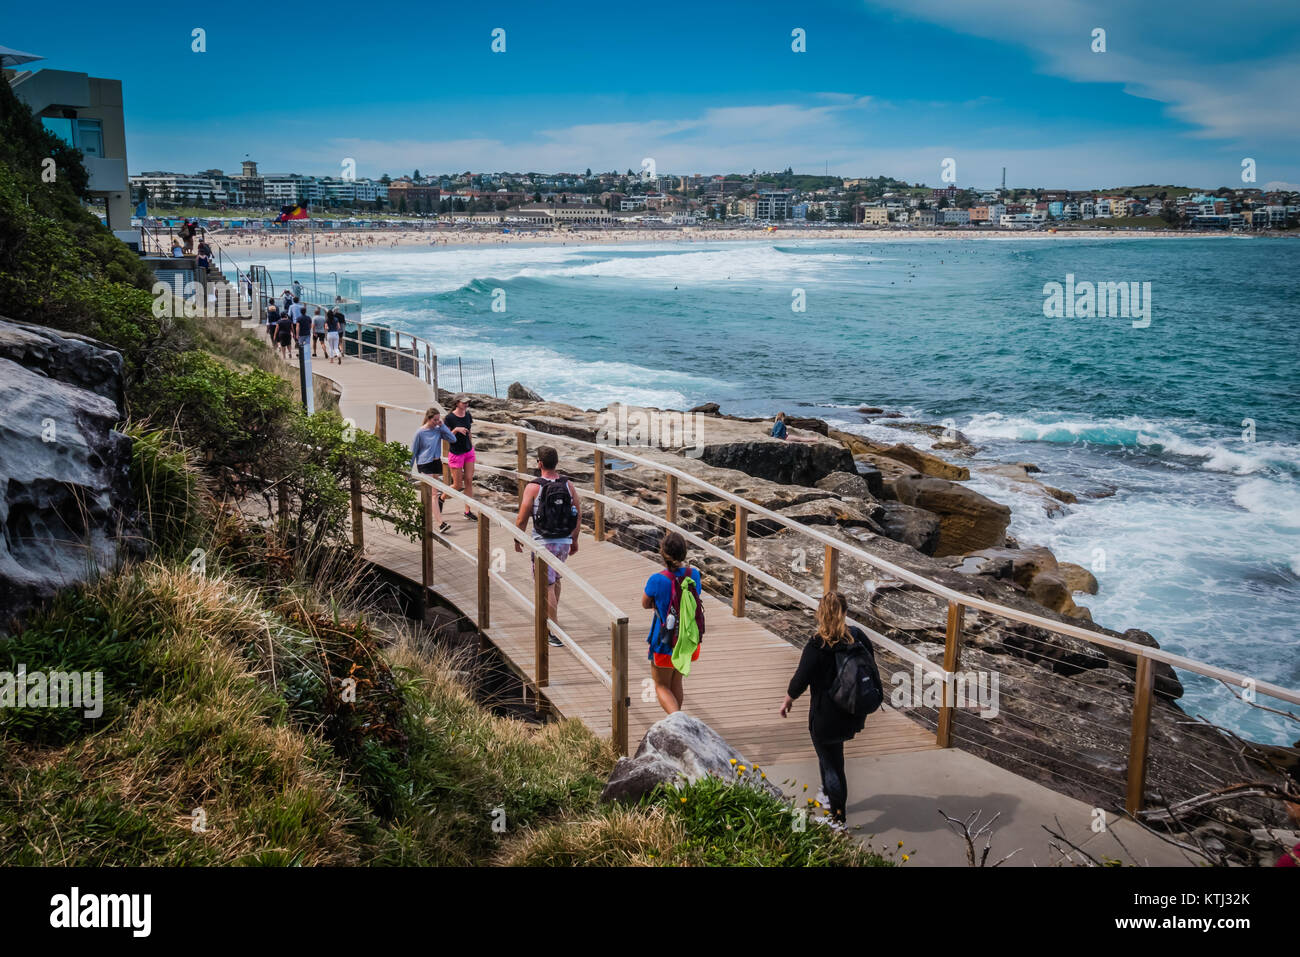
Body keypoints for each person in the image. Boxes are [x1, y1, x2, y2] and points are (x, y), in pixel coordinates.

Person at [779, 591, 874, 829]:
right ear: (845, 612)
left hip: (825, 716)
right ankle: (827, 795)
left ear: (820, 614)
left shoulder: (816, 645)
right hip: (851, 712)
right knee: (830, 755)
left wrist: (788, 700)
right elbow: (870, 664)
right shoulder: (857, 636)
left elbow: (801, 679)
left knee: (834, 766)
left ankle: (837, 818)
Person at [514, 445, 581, 648]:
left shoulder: (534, 487)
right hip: (564, 542)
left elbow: (522, 517)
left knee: (547, 586)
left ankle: (553, 630)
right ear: (556, 462)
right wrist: (574, 539)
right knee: (556, 579)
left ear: (540, 463)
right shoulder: (568, 484)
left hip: (544, 544)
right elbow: (577, 513)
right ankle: (553, 618)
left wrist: (517, 538)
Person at [641, 531, 702, 715]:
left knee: (661, 685)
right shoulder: (695, 575)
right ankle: (677, 723)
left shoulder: (657, 579)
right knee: (676, 682)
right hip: (686, 638)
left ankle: (678, 721)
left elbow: (645, 603)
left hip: (665, 640)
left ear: (662, 553)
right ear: (684, 552)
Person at [410, 409, 455, 533]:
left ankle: (422, 514)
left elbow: (452, 439)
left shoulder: (438, 429)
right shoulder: (420, 433)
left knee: (431, 494)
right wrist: (408, 470)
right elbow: (413, 452)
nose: (436, 422)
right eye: (434, 420)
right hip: (425, 463)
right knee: (434, 494)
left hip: (436, 463)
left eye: (438, 419)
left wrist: (443, 426)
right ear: (428, 418)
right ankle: (440, 523)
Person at [444, 395, 477, 521]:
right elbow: (446, 437)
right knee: (457, 485)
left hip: (468, 452)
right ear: (457, 403)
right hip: (456, 453)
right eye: (464, 402)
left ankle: (467, 511)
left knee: (469, 480)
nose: (466, 404)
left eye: (468, 402)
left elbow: (469, 432)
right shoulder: (450, 418)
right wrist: (456, 430)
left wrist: (471, 445)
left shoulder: (468, 415)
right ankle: (442, 498)